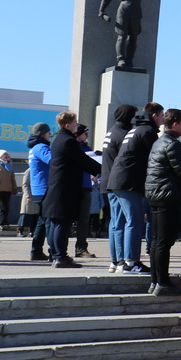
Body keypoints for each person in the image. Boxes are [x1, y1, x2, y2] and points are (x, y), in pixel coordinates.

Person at [145, 109, 181, 295]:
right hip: (166, 196)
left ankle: (156, 281)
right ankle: (162, 282)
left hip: (156, 194)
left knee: (157, 240)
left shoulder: (159, 142)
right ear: (175, 124)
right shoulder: (172, 144)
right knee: (163, 242)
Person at [106, 102, 165, 275]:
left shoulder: (136, 129)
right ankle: (130, 263)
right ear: (154, 115)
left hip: (119, 180)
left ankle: (118, 262)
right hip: (127, 182)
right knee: (135, 220)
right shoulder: (147, 131)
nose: (162, 121)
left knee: (120, 223)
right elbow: (160, 155)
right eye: (161, 116)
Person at [43, 112, 102, 268]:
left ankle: (56, 255)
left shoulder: (58, 139)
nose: (77, 125)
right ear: (68, 125)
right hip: (65, 188)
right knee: (62, 223)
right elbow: (83, 161)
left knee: (56, 223)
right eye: (75, 122)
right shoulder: (69, 141)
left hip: (58, 187)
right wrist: (102, 169)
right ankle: (61, 257)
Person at [98, 0, 169, 69]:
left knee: (133, 37)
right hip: (123, 11)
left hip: (135, 11)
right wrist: (102, 10)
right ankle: (120, 59)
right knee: (122, 36)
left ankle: (129, 60)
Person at [99, 103, 136, 271]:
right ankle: (121, 260)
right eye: (134, 115)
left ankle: (114, 260)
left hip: (108, 181)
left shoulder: (112, 131)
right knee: (122, 221)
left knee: (115, 222)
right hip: (118, 182)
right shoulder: (123, 134)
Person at [26, 123, 52, 260]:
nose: (50, 136)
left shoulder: (33, 148)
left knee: (42, 221)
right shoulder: (41, 147)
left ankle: (36, 251)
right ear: (43, 134)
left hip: (38, 189)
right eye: (49, 133)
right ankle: (53, 251)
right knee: (49, 221)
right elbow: (53, 161)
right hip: (45, 188)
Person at [73, 125, 97, 258]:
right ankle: (58, 250)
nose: (87, 136)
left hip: (86, 186)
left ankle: (81, 248)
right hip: (72, 187)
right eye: (85, 133)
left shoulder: (88, 149)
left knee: (84, 219)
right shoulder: (71, 147)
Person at [19, 166, 37, 238]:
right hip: (29, 196)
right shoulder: (29, 171)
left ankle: (32, 231)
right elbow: (25, 184)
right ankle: (20, 230)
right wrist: (27, 196)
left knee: (34, 216)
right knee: (25, 215)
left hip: (36, 195)